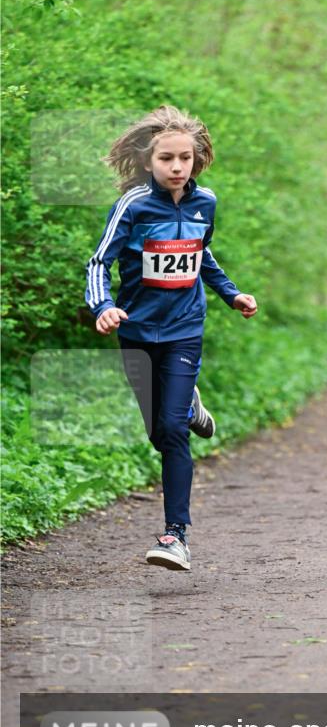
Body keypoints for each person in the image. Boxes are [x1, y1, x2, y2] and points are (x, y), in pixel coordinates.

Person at [85, 105, 258, 571]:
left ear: (196, 159)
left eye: (185, 157)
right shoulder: (133, 205)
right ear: (149, 160)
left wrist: (231, 294)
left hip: (185, 328)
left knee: (174, 429)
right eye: (167, 158)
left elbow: (202, 254)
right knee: (160, 433)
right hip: (137, 330)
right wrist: (104, 306)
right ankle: (190, 404)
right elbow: (99, 262)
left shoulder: (207, 203)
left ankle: (175, 535)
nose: (177, 166)